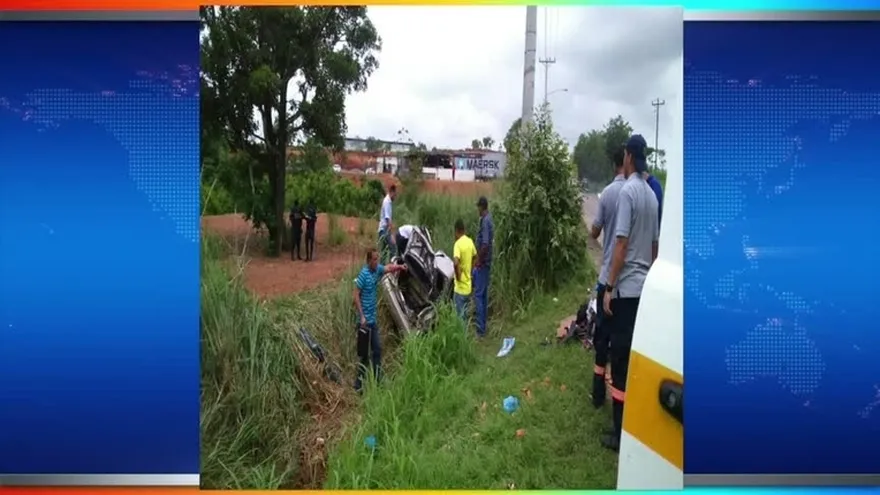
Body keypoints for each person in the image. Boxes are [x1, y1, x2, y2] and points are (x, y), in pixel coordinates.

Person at [601, 134, 659, 452]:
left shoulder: (628, 192)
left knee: (620, 362)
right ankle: (633, 425)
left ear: (627, 157)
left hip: (625, 291)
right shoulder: (651, 195)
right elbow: (654, 246)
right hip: (645, 290)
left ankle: (620, 434)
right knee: (635, 359)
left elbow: (620, 243)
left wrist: (609, 287)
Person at [588, 145, 627, 409]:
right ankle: (620, 398)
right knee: (621, 342)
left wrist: (592, 233)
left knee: (601, 337)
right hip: (628, 284)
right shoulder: (640, 192)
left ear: (615, 166)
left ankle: (598, 395)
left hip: (607, 280)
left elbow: (595, 230)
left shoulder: (610, 193)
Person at [353, 248, 407, 392]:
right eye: (375, 259)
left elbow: (388, 268)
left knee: (377, 350)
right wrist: (362, 316)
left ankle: (378, 380)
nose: (377, 262)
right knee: (364, 356)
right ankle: (358, 386)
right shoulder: (363, 275)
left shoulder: (377, 270)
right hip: (364, 323)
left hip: (373, 322)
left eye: (378, 259)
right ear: (369, 260)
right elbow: (355, 295)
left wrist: (400, 267)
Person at [474, 196, 494, 338]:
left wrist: (479, 260)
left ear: (482, 207)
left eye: (478, 208)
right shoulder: (487, 219)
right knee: (484, 295)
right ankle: (483, 326)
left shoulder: (486, 221)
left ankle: (480, 330)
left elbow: (485, 243)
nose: (478, 211)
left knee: (479, 295)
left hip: (483, 263)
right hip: (486, 263)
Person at [452, 218, 477, 324]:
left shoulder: (457, 244)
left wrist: (458, 276)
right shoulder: (470, 242)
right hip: (468, 287)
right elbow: (476, 256)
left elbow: (455, 262)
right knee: (465, 316)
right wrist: (471, 270)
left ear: (457, 230)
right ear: (464, 229)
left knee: (459, 318)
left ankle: (462, 339)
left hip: (460, 288)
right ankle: (466, 338)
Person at [377, 184, 397, 262]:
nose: (395, 197)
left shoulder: (387, 201)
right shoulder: (387, 202)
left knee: (383, 252)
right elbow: (387, 219)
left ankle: (383, 270)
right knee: (393, 249)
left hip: (383, 230)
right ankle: (391, 268)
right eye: (395, 195)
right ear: (392, 192)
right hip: (385, 230)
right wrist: (392, 234)